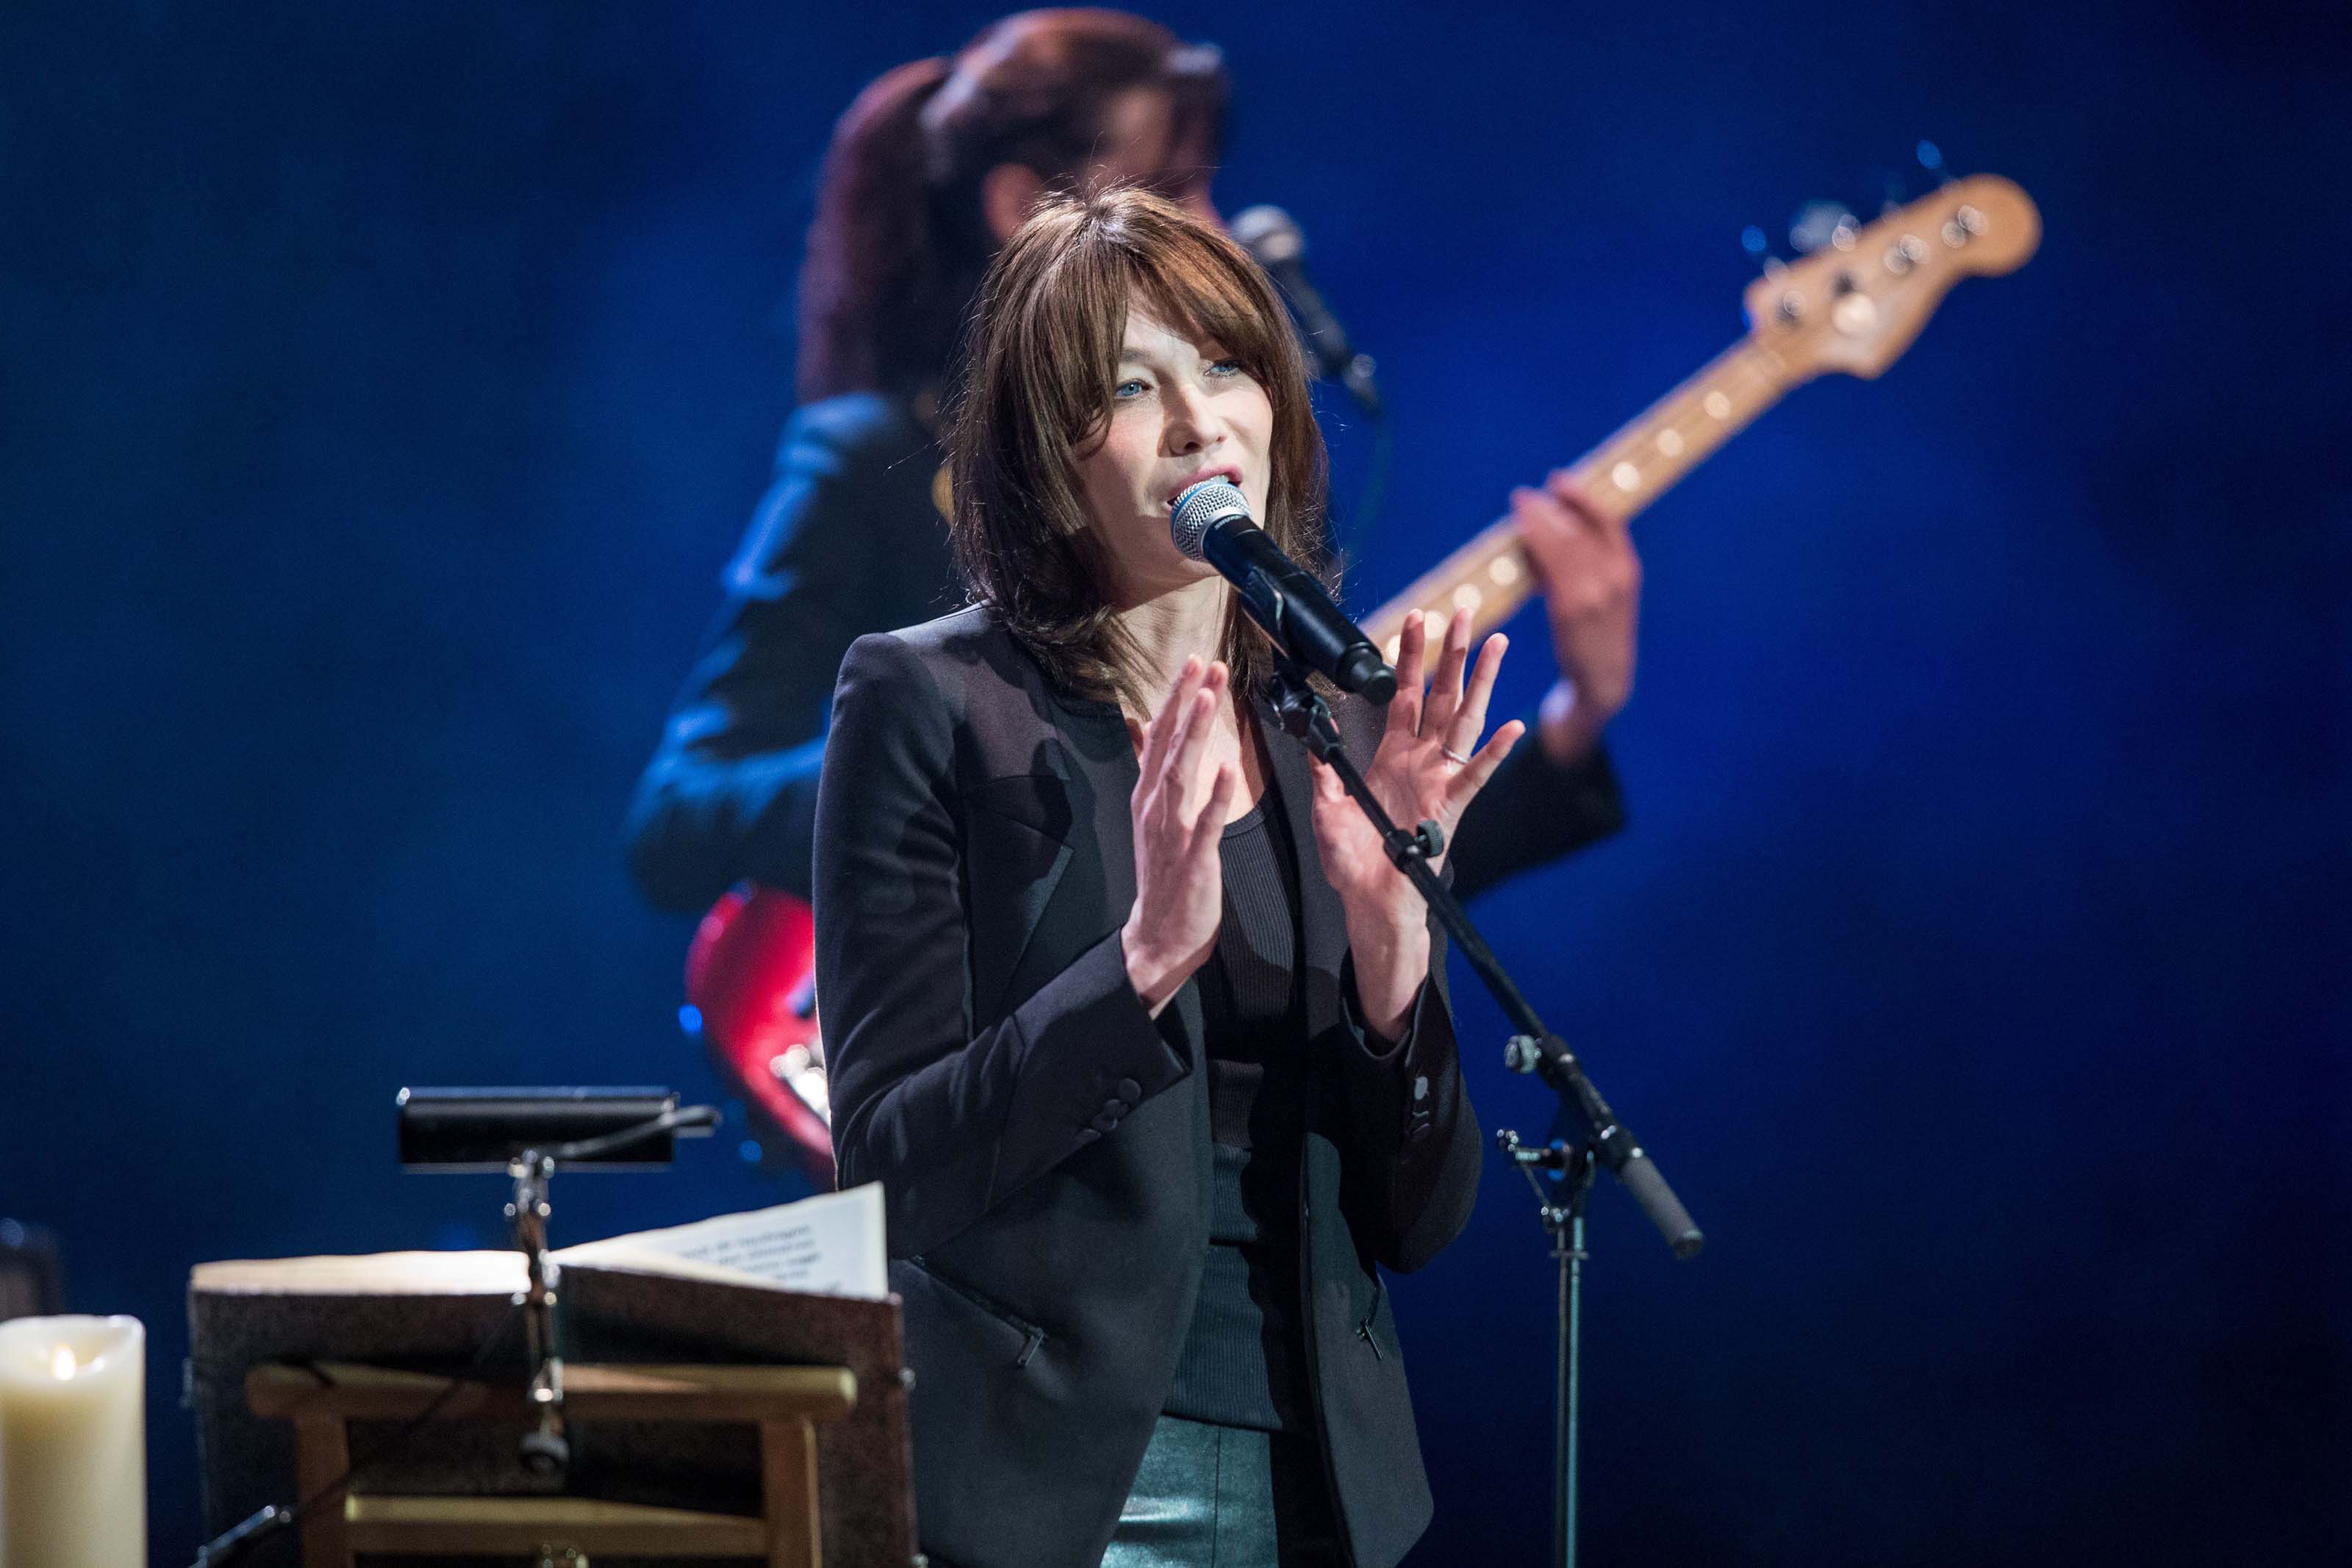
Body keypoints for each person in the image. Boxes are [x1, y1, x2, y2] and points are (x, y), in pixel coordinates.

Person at [816, 185, 1519, 1568]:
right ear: (1047, 457)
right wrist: (1140, 962)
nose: (1204, 421)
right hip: (1059, 1480)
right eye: (1134, 386)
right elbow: (887, 1171)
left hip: (1328, 1477)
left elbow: (1420, 1225)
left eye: (1227, 366)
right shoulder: (932, 702)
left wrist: (1396, 970)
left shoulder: (1340, 729)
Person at [626, 10, 1640, 925]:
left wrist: (1572, 720)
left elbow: (1327, 878)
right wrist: (971, 745)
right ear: (1026, 203)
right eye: (1175, 187)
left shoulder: (1227, 468)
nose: (1219, 226)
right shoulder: (869, 461)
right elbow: (677, 824)